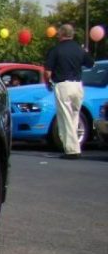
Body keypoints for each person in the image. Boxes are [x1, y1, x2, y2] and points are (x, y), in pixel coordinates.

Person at [44, 24, 93, 159]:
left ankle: (72, 150)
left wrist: (47, 83)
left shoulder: (56, 50)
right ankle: (73, 145)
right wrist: (85, 52)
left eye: (59, 32)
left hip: (63, 85)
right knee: (74, 116)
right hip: (77, 85)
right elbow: (90, 63)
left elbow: (47, 72)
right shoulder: (79, 49)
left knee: (65, 117)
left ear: (62, 34)